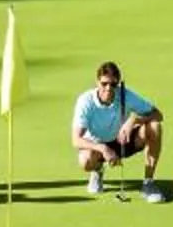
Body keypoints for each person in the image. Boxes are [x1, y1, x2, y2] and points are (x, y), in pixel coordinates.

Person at [69, 61, 165, 203]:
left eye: (113, 84)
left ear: (118, 84)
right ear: (97, 82)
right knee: (85, 162)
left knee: (154, 126)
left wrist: (134, 120)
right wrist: (103, 148)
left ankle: (148, 183)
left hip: (123, 140)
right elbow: (76, 140)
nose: (108, 88)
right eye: (104, 83)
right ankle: (98, 170)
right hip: (97, 146)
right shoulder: (85, 101)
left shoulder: (126, 95)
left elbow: (158, 115)